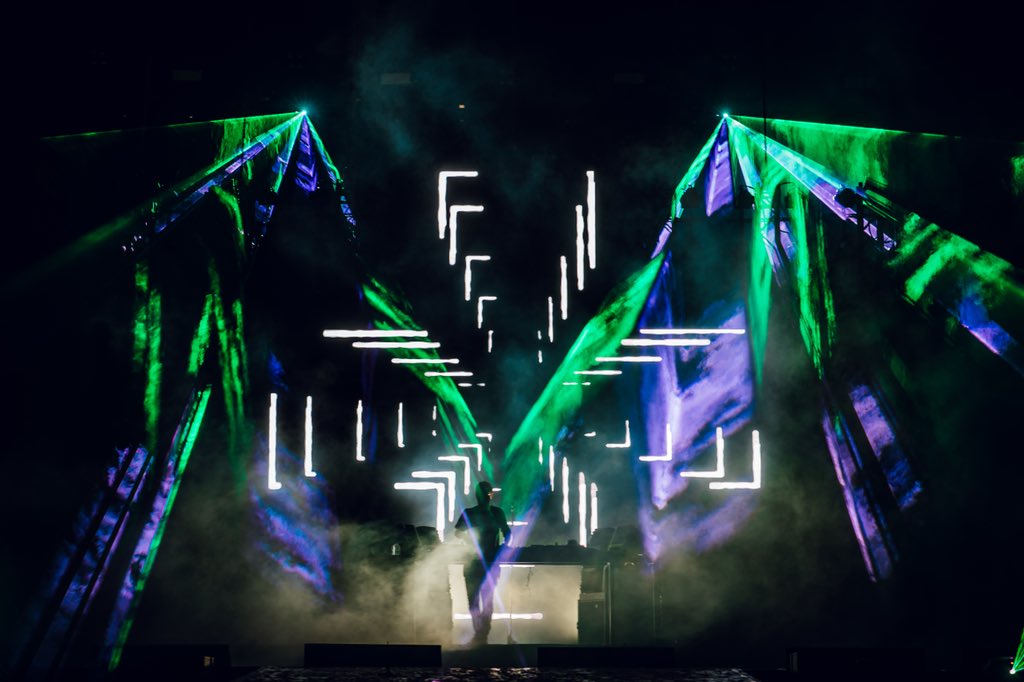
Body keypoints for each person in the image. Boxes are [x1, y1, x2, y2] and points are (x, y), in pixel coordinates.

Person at [454, 481, 511, 645]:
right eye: (484, 493)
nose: (486, 496)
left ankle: (481, 634)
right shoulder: (475, 513)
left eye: (487, 492)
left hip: (486, 560)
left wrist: (501, 547)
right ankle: (481, 634)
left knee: (484, 600)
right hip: (477, 560)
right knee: (476, 600)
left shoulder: (493, 513)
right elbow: (458, 532)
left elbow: (507, 533)